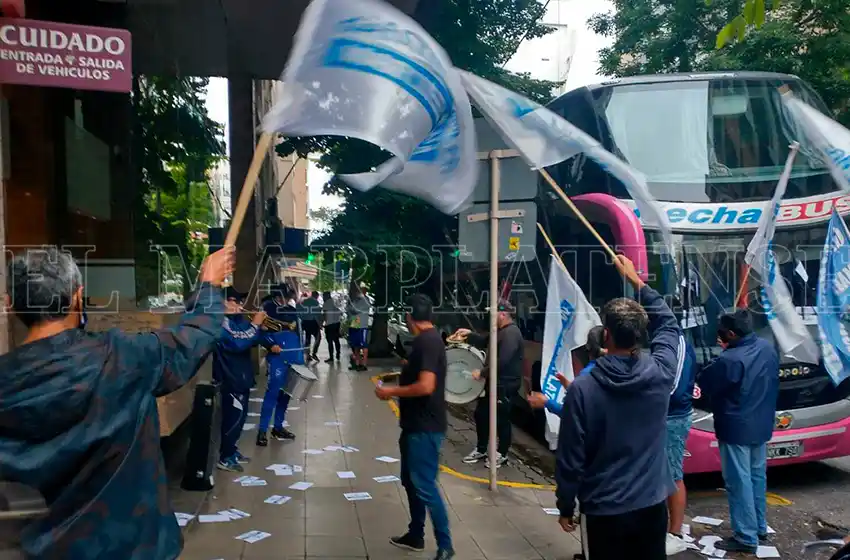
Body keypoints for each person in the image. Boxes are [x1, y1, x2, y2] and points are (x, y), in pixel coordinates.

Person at [0, 246, 233, 559]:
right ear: (78, 297)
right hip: (134, 548)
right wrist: (208, 286)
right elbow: (191, 339)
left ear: (11, 305)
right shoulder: (122, 359)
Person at [555, 255, 679, 560]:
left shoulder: (582, 389)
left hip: (603, 510)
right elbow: (669, 324)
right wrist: (638, 283)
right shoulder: (660, 373)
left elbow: (570, 459)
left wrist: (566, 506)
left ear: (605, 335)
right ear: (638, 335)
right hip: (651, 505)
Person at [375, 294, 454, 560]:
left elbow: (426, 386)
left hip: (425, 427)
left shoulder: (428, 343)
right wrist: (408, 368)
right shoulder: (427, 341)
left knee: (425, 485)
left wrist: (392, 391)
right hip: (414, 425)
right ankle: (415, 534)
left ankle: (445, 545)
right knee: (411, 481)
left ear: (410, 318)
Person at [697, 309, 779, 554]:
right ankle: (759, 526)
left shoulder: (729, 360)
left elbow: (706, 381)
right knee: (756, 478)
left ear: (731, 334)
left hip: (735, 427)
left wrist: (720, 355)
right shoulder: (767, 349)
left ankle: (745, 535)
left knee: (738, 482)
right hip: (761, 423)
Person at [453, 300, 524, 469]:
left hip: (505, 384)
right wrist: (468, 334)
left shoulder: (512, 334)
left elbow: (503, 360)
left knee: (501, 419)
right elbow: (484, 340)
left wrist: (482, 372)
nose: (490, 317)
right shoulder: (498, 331)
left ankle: (502, 454)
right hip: (492, 383)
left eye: (492, 314)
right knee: (481, 415)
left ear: (502, 314)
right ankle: (482, 449)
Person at [214, 287, 266, 473]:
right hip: (230, 379)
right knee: (233, 419)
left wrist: (260, 329)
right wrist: (256, 326)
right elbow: (238, 342)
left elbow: (250, 337)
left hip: (241, 377)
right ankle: (225, 457)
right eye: (234, 301)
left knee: (241, 417)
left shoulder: (237, 321)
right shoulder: (220, 322)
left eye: (240, 302)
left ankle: (232, 451)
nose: (239, 305)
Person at [256, 284, 304, 447]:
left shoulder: (292, 310)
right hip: (278, 358)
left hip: (294, 357)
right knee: (273, 393)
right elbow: (260, 334)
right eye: (286, 295)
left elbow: (298, 333)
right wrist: (270, 345)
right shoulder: (267, 310)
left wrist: (301, 359)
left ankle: (278, 427)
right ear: (278, 296)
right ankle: (262, 430)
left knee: (286, 394)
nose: (289, 298)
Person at [665, 328, 698, 555]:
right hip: (667, 415)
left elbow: (673, 391)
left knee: (673, 474)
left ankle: (675, 533)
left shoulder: (677, 343)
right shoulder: (668, 341)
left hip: (671, 417)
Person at [527, 326, 605, 415]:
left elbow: (574, 413)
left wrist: (546, 403)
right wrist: (574, 388)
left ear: (588, 348)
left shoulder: (589, 375)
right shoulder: (617, 368)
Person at [347, 282, 372, 371]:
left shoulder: (366, 300)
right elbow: (349, 309)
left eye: (360, 290)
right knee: (356, 345)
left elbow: (354, 309)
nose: (358, 292)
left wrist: (353, 309)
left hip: (362, 325)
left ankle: (364, 364)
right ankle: (357, 363)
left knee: (364, 345)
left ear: (364, 291)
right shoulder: (355, 300)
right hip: (355, 324)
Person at [301, 290, 322, 362]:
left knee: (308, 339)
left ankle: (307, 355)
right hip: (313, 323)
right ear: (316, 296)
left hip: (306, 322)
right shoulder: (315, 302)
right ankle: (314, 353)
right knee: (318, 338)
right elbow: (316, 315)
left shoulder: (304, 302)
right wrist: (320, 324)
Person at [323, 290, 342, 363]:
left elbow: (325, 315)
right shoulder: (335, 302)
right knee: (336, 340)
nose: (323, 298)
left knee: (330, 341)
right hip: (337, 323)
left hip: (330, 325)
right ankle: (338, 354)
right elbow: (340, 312)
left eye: (324, 296)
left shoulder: (326, 304)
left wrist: (324, 323)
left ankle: (331, 357)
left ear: (326, 296)